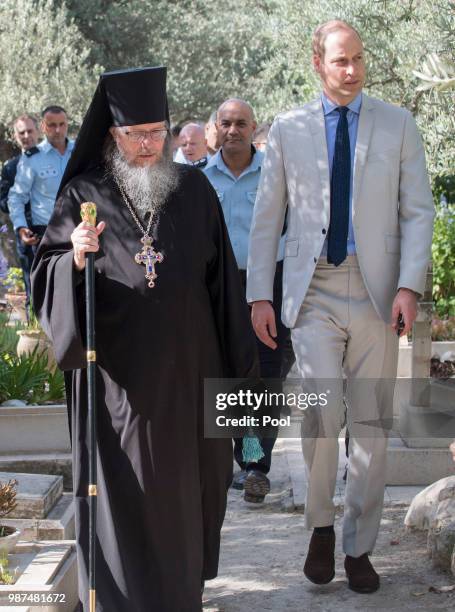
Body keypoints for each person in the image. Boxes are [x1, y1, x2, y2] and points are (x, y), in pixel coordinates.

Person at [31, 67, 258, 612]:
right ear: (112, 135)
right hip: (118, 390)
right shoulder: (85, 195)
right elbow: (46, 272)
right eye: (136, 135)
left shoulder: (195, 190)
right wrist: (76, 256)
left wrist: (240, 387)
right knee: (125, 496)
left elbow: (224, 286)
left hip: (188, 379)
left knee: (185, 498)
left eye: (157, 132)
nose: (149, 145)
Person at [247, 20, 434, 593]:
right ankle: (321, 527)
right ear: (317, 64)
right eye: (339, 61)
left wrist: (409, 285)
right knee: (322, 418)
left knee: (372, 428)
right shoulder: (288, 128)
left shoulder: (398, 124)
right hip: (314, 291)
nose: (350, 71)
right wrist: (260, 293)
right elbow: (267, 216)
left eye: (358, 59)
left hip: (379, 293)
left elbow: (417, 212)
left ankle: (358, 546)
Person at [204, 98, 289, 504]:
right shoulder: (201, 179)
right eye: (226, 123)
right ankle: (248, 460)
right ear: (216, 128)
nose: (233, 130)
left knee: (267, 376)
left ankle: (256, 464)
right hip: (221, 289)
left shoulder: (276, 174)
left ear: (253, 127)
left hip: (270, 286)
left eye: (241, 123)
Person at [8, 105, 74, 251]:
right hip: (47, 234)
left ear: (67, 124)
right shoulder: (32, 158)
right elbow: (16, 197)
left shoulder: (78, 151)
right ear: (43, 127)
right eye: (52, 125)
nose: (58, 130)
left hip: (79, 230)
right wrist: (21, 227)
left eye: (62, 124)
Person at [0, 114, 40, 306]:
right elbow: (3, 201)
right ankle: (34, 327)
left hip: (56, 230)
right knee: (31, 281)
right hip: (27, 234)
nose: (26, 136)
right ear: (15, 136)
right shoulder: (10, 167)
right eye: (21, 132)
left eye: (30, 131)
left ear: (38, 131)